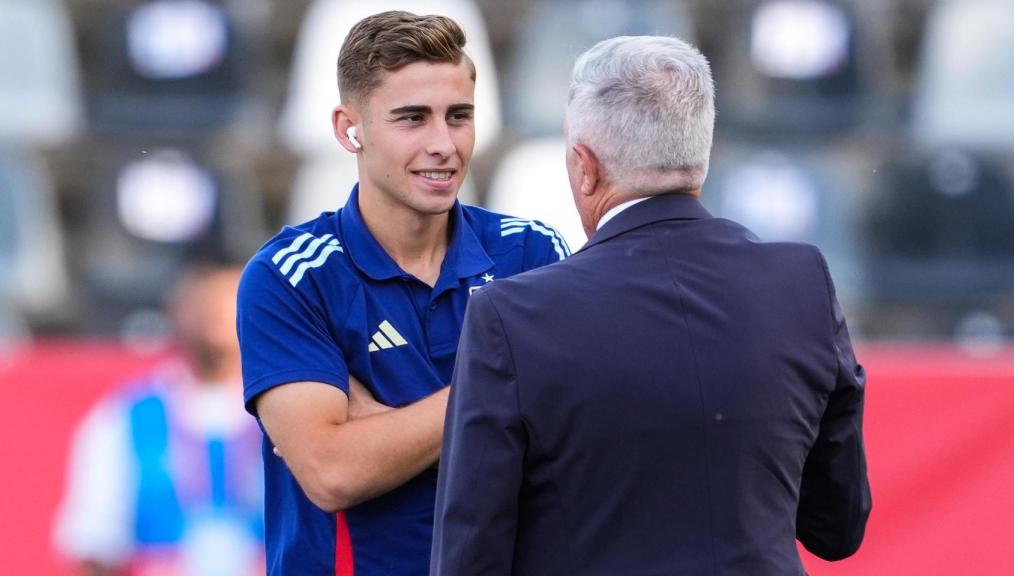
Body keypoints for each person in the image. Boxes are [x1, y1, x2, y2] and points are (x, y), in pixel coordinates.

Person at [431, 35, 871, 576]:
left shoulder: (512, 315)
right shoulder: (802, 282)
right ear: (699, 154)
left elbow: (470, 557)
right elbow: (838, 525)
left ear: (584, 167)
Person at [235, 11, 568, 576]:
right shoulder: (291, 276)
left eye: (458, 116)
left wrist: (377, 426)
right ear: (349, 129)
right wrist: (503, 391)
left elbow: (571, 445)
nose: (443, 143)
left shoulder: (532, 253)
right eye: (412, 119)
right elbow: (332, 473)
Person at [53, 262, 264, 576]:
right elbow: (93, 545)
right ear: (175, 310)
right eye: (202, 303)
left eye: (227, 301)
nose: (214, 316)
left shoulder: (285, 412)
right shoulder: (125, 417)